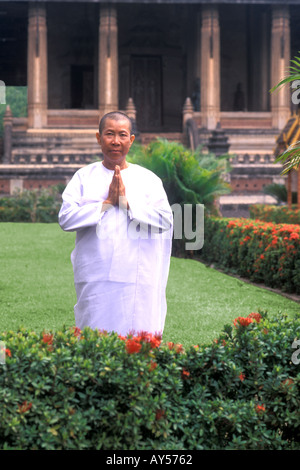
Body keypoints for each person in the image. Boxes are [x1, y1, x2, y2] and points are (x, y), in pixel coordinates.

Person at [58, 111, 173, 336]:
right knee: (94, 334)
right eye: (109, 134)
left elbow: (165, 219)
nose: (115, 141)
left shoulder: (148, 179)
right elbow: (66, 218)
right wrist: (107, 203)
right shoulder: (83, 177)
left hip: (137, 276)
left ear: (131, 140)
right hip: (95, 272)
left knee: (137, 337)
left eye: (122, 135)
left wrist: (127, 204)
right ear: (99, 138)